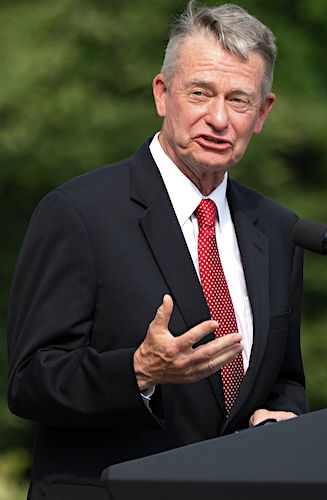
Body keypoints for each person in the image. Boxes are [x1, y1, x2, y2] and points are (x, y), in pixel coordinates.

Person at [6, 2, 307, 499]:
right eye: (200, 93)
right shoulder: (80, 213)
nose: (217, 118)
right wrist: (139, 371)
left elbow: (285, 379)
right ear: (162, 95)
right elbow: (30, 382)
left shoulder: (275, 228)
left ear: (262, 114)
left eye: (238, 100)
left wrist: (286, 416)